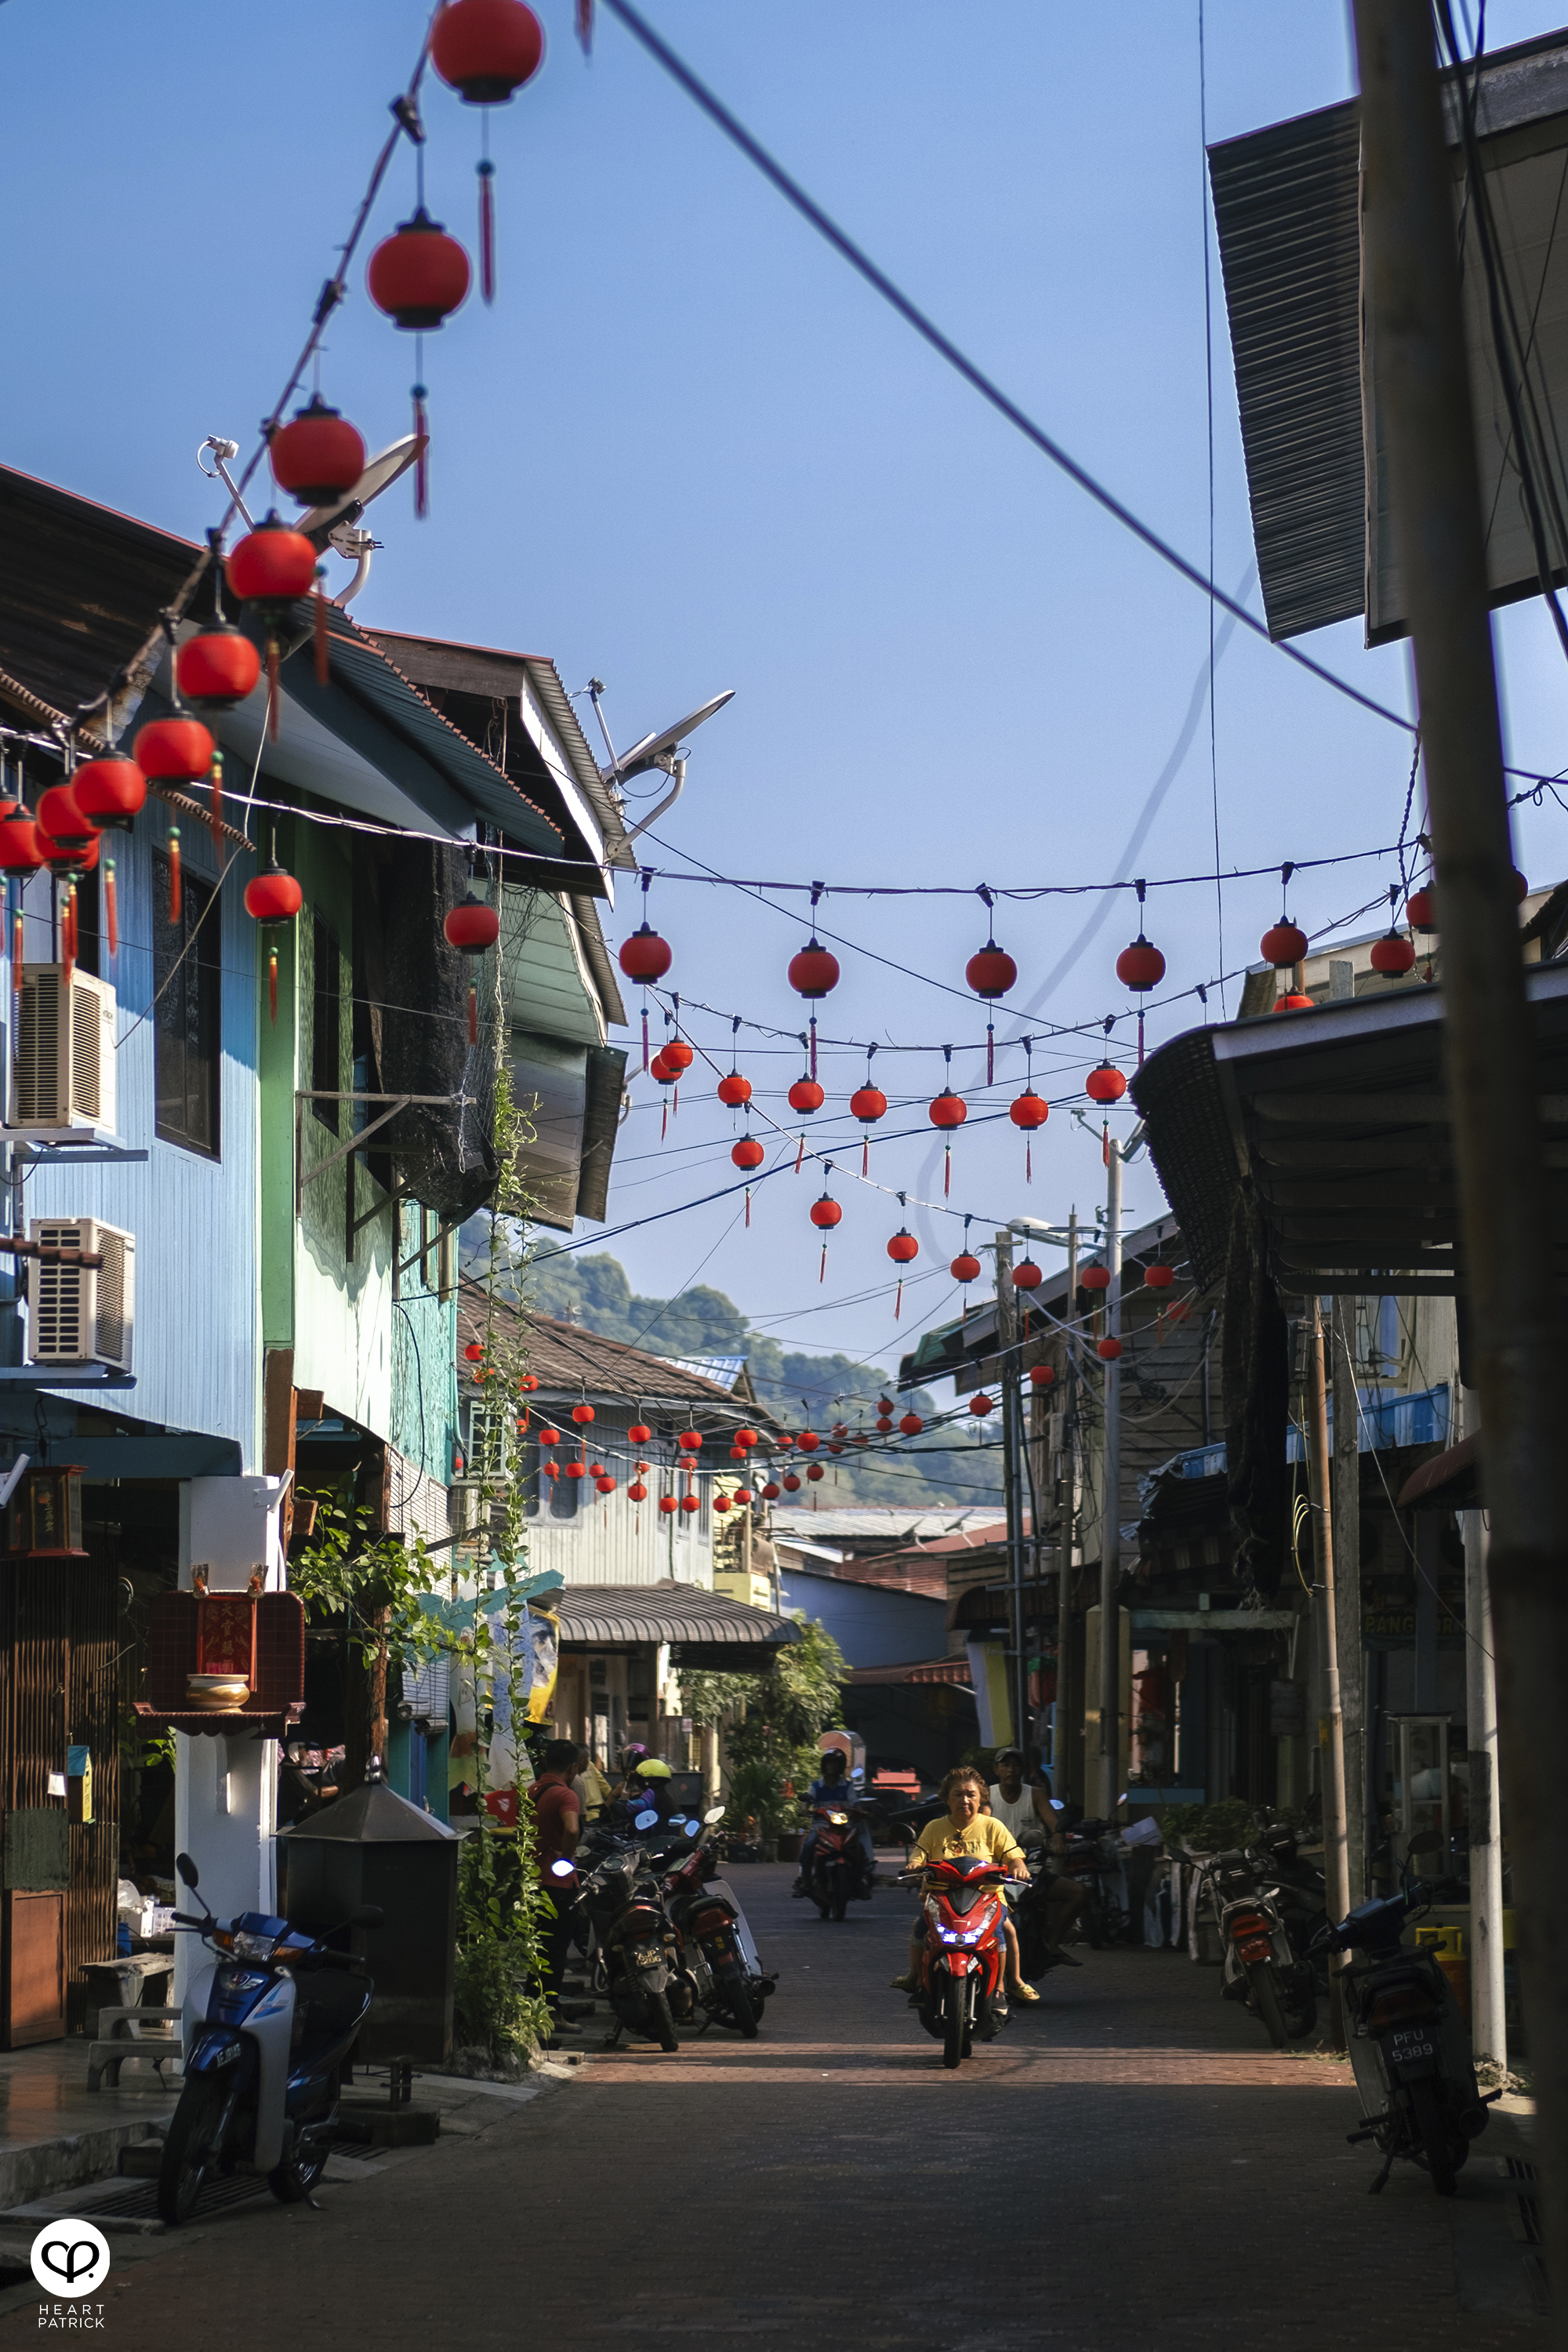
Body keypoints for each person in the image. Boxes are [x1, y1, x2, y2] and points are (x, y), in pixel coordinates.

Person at [892, 1765, 1037, 2002]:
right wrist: (914, 1866)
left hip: (986, 1898)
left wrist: (1019, 1866)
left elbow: (1013, 1854)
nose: (965, 1800)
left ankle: (1006, 1985)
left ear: (981, 1799)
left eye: (971, 1795)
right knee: (920, 1927)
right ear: (947, 1799)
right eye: (958, 1795)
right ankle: (916, 1977)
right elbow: (919, 1855)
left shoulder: (993, 1826)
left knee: (1003, 1930)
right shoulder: (934, 1827)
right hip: (942, 1898)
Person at [526, 1739, 583, 2039]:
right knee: (556, 1952)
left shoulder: (531, 1791)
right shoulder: (565, 1795)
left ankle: (533, 2011)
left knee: (538, 1951)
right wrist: (567, 1857)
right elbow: (572, 1828)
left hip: (532, 1884)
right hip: (558, 1885)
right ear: (572, 1767)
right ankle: (549, 2014)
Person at [793, 1748, 875, 1898]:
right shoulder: (816, 1786)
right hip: (821, 1828)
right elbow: (808, 1799)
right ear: (824, 1765)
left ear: (841, 1766)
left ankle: (859, 1881)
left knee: (859, 1849)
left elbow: (855, 1803)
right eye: (829, 1763)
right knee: (809, 1845)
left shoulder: (847, 1786)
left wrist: (861, 1812)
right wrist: (804, 1809)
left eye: (835, 1763)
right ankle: (805, 1880)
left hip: (844, 1829)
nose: (831, 1766)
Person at [573, 1744, 612, 1825]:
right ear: (582, 1760)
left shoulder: (589, 1765)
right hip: (587, 1817)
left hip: (598, 1814)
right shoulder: (575, 1773)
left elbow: (605, 1788)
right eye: (588, 1758)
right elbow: (606, 1789)